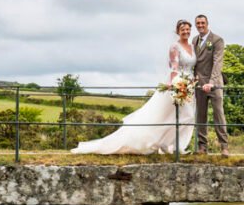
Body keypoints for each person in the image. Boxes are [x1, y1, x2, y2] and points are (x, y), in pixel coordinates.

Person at [70, 20, 196, 154]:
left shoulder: (192, 46)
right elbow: (173, 67)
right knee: (180, 116)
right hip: (178, 83)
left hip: (190, 84)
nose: (186, 32)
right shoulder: (174, 47)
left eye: (188, 29)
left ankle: (170, 144)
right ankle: (169, 144)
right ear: (178, 31)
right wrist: (174, 84)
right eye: (183, 30)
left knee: (183, 116)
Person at [192, 14, 229, 155]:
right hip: (199, 84)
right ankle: (202, 147)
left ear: (207, 23)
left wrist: (211, 83)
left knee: (218, 114)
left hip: (215, 83)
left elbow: (217, 63)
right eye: (198, 23)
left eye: (202, 23)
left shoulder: (217, 40)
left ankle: (224, 147)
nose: (200, 25)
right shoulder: (194, 40)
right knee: (200, 115)